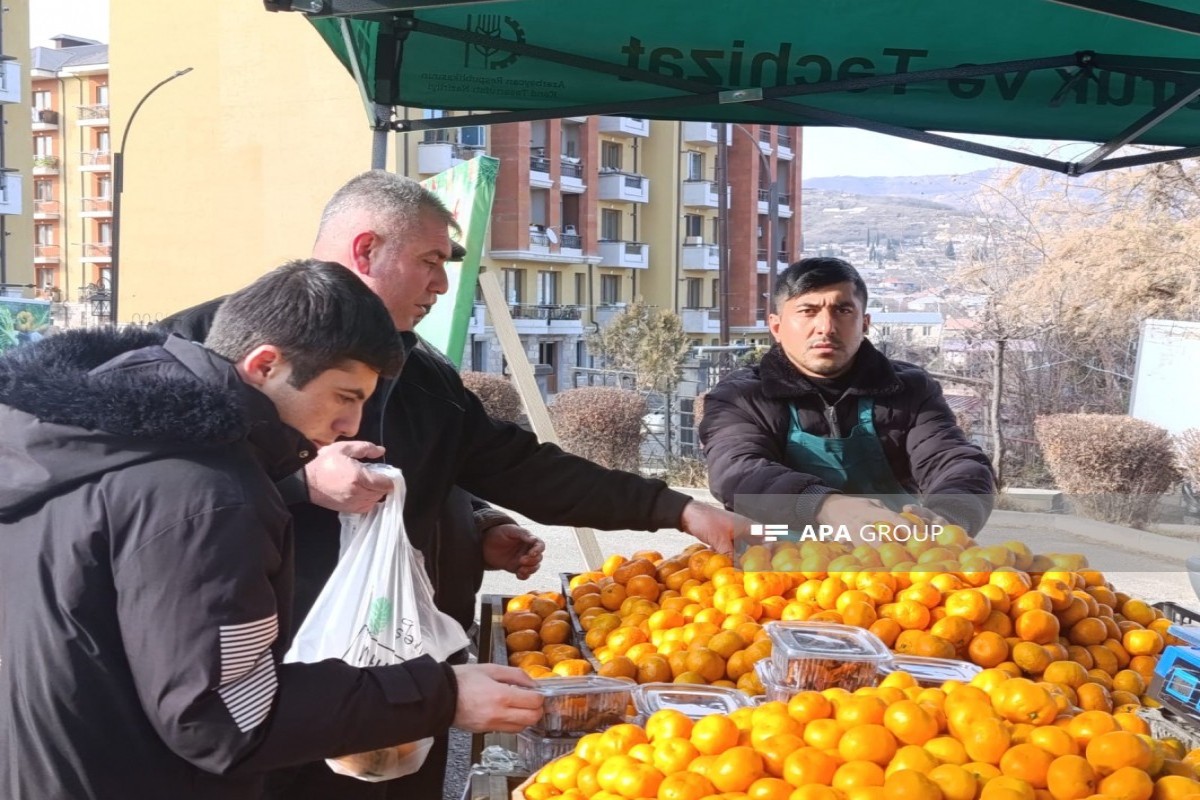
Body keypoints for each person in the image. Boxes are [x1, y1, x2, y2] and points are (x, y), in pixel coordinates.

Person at [160, 170, 750, 799]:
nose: (442, 283)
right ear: (366, 251)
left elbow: (516, 464)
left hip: (401, 682)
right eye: (431, 260)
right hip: (266, 697)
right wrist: (295, 480)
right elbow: (154, 510)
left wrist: (674, 508)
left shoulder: (421, 375)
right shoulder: (197, 349)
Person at [0, 260, 543, 800]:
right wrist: (441, 694)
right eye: (345, 397)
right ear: (265, 365)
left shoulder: (89, 441)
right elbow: (225, 716)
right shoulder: (207, 491)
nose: (351, 425)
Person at [699, 256, 995, 540]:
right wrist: (823, 505)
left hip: (892, 556)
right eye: (807, 311)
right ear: (776, 327)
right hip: (775, 560)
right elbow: (737, 470)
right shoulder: (740, 396)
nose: (826, 327)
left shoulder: (908, 390)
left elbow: (952, 458)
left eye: (843, 310)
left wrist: (949, 517)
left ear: (865, 323)